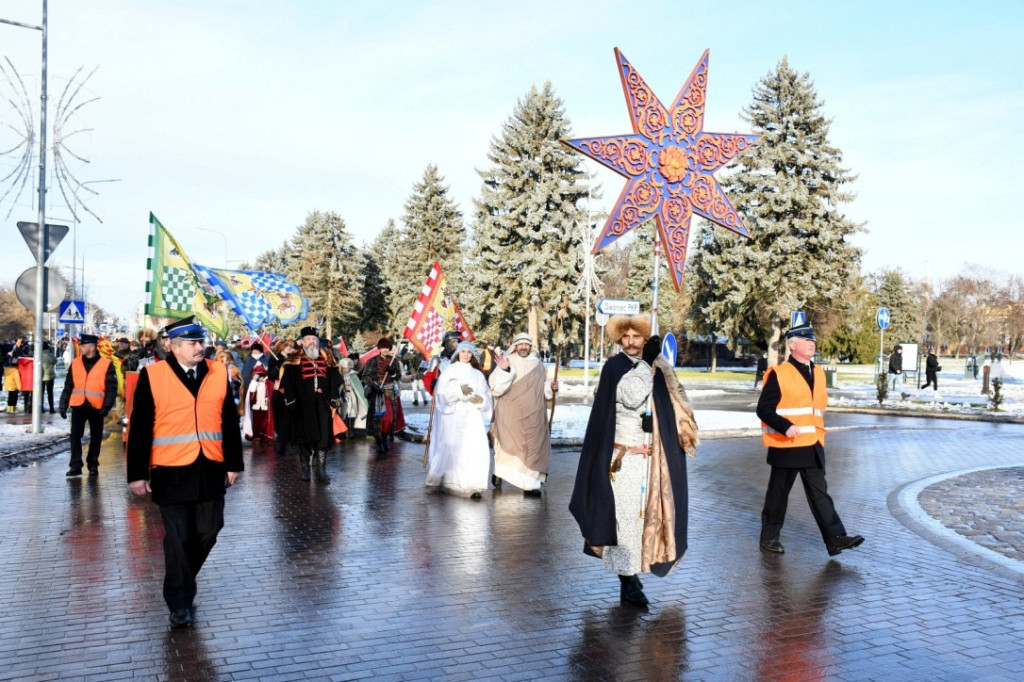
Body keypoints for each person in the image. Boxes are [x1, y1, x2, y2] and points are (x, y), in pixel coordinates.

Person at [569, 314, 698, 608]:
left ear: (644, 338)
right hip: (624, 459)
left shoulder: (659, 367)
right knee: (625, 522)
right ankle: (627, 582)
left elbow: (676, 402)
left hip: (654, 463)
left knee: (647, 523)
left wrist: (684, 430)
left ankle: (635, 572)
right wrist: (647, 365)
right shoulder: (615, 367)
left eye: (636, 337)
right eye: (625, 337)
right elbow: (631, 395)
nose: (630, 342)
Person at [126, 316, 244, 629]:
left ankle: (182, 578)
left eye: (200, 341)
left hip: (210, 467)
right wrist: (137, 474)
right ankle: (179, 601)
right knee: (177, 538)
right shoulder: (153, 375)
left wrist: (234, 464)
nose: (199, 347)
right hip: (170, 471)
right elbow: (139, 428)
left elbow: (230, 422)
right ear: (173, 347)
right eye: (192, 343)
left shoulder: (218, 372)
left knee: (210, 529)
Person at [757, 322, 864, 558]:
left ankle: (835, 539)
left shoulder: (817, 372)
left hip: (813, 444)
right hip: (787, 446)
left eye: (813, 340)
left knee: (820, 493)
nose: (812, 343)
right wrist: (786, 426)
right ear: (793, 345)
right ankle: (769, 537)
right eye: (806, 340)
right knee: (778, 494)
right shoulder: (779, 374)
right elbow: (764, 409)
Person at [488, 332, 556, 496]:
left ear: (530, 346)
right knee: (509, 446)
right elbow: (496, 387)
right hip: (510, 413)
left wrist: (551, 388)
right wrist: (505, 370)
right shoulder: (508, 360)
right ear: (515, 346)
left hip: (534, 414)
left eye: (526, 344)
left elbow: (543, 388)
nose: (523, 347)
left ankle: (530, 484)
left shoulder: (538, 364)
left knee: (533, 448)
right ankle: (500, 473)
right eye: (520, 344)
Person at [425, 341, 493, 498]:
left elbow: (485, 395)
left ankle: (471, 484)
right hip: (454, 416)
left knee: (473, 448)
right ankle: (450, 479)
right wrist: (458, 391)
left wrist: (480, 400)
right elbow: (442, 394)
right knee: (453, 447)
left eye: (469, 352)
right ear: (458, 353)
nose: (466, 355)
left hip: (471, 416)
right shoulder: (450, 371)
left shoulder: (478, 374)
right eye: (463, 351)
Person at [280, 326, 341, 483]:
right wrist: (291, 400)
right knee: (302, 437)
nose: (312, 342)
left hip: (322, 402)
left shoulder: (327, 357)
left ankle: (321, 470)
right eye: (309, 339)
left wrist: (334, 397)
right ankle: (306, 467)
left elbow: (335, 379)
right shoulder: (294, 359)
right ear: (302, 342)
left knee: (323, 436)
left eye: (314, 339)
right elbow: (288, 383)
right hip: (301, 405)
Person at [59, 333, 117, 477]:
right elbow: (68, 385)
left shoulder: (106, 364)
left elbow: (111, 388)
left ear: (91, 347)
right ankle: (75, 465)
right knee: (75, 436)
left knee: (96, 437)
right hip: (78, 405)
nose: (80, 347)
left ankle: (93, 465)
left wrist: (107, 407)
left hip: (97, 407)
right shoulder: (76, 363)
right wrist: (63, 404)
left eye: (83, 345)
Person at [361, 338, 407, 454]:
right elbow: (365, 376)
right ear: (379, 348)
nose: (385, 349)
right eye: (383, 347)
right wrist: (372, 385)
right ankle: (379, 440)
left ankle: (385, 437)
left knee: (389, 419)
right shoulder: (372, 361)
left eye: (387, 347)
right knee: (378, 419)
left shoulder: (394, 361)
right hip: (377, 394)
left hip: (390, 394)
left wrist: (393, 372)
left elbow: (398, 377)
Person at [272, 339, 299, 455]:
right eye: (288, 346)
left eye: (291, 347)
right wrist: (278, 367)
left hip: (289, 392)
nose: (290, 348)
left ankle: (287, 444)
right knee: (282, 419)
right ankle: (282, 445)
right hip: (281, 393)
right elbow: (271, 374)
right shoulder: (275, 359)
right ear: (282, 347)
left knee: (288, 420)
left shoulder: (291, 360)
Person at [243, 364, 274, 442]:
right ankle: (256, 435)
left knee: (265, 421)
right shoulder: (253, 384)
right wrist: (254, 381)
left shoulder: (269, 383)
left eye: (262, 376)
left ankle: (265, 435)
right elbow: (252, 392)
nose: (260, 378)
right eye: (258, 376)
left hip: (265, 407)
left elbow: (271, 394)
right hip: (256, 407)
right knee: (256, 422)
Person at [338, 356, 368, 436]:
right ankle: (343, 430)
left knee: (352, 412)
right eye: (345, 368)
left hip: (352, 396)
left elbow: (358, 388)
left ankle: (350, 430)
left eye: (348, 368)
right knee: (343, 413)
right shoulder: (339, 375)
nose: (346, 369)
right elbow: (338, 386)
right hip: (343, 397)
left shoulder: (353, 375)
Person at [40, 341, 57, 414]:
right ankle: (51, 408)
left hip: (41, 377)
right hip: (50, 376)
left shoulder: (39, 355)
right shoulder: (50, 355)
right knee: (50, 393)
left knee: (41, 393)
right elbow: (55, 361)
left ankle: (41, 408)